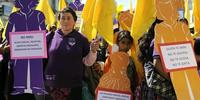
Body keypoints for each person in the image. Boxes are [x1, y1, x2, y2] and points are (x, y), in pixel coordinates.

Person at [44, 7, 99, 100]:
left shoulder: (82, 39)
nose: (65, 21)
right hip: (51, 85)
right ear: (59, 20)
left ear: (75, 21)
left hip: (73, 86)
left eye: (69, 18)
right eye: (63, 18)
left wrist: (93, 51)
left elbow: (87, 62)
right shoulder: (50, 36)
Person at [4, 0, 46, 99]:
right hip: (20, 49)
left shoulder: (39, 15)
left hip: (35, 48)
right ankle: (19, 87)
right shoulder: (13, 16)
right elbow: (7, 33)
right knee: (20, 67)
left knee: (35, 66)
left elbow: (43, 32)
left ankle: (36, 87)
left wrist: (37, 43)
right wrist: (15, 43)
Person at [101, 30, 138, 95]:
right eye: (123, 42)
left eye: (128, 43)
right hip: (112, 92)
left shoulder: (131, 61)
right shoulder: (111, 59)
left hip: (126, 93)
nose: (126, 46)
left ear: (131, 45)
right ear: (118, 43)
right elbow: (105, 75)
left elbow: (134, 79)